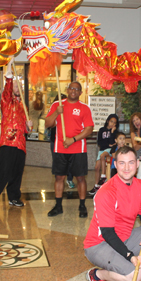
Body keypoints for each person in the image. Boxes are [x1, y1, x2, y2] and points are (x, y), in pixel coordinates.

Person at [84, 146, 141, 281]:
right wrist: (129, 256)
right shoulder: (107, 192)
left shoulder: (140, 186)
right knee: (134, 275)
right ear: (115, 165)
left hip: (124, 238)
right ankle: (97, 275)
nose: (127, 168)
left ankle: (135, 270)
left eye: (130, 163)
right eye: (122, 163)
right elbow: (108, 233)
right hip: (99, 245)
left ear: (137, 164)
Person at [45, 82, 94, 218]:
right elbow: (48, 124)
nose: (73, 91)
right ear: (67, 90)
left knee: (80, 178)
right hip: (60, 148)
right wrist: (56, 113)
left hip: (78, 148)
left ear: (80, 92)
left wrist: (73, 139)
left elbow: (89, 129)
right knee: (59, 177)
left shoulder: (84, 108)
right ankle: (58, 206)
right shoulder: (57, 105)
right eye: (71, 88)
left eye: (76, 89)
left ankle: (82, 206)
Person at [0, 61, 33, 207]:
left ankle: (14, 197)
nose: (18, 88)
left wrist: (29, 126)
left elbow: (26, 129)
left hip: (21, 143)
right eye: (15, 86)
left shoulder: (23, 106)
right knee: (3, 171)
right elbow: (8, 88)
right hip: (8, 141)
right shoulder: (7, 101)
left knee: (17, 172)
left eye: (19, 86)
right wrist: (10, 67)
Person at [89, 114, 119, 195]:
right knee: (96, 167)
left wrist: (112, 133)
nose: (112, 123)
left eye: (114, 122)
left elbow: (113, 143)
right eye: (111, 121)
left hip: (109, 150)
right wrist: (108, 144)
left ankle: (103, 176)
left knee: (103, 156)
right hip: (102, 149)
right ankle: (96, 185)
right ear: (108, 121)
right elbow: (100, 143)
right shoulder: (101, 130)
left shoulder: (115, 132)